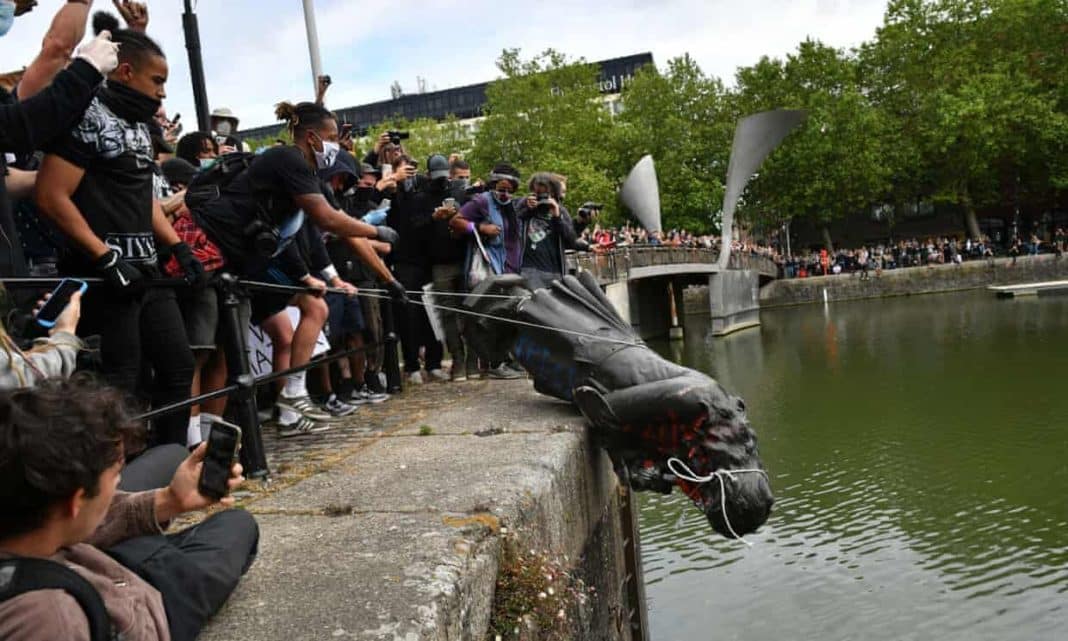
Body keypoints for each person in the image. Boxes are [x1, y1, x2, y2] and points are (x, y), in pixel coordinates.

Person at [35, 15, 201, 448]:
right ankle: (112, 493)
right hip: (104, 277)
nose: (163, 92)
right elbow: (51, 195)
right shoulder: (86, 115)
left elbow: (140, 196)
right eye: (157, 81)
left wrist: (179, 247)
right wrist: (103, 256)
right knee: (120, 384)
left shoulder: (140, 127)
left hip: (147, 271)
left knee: (178, 368)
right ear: (126, 72)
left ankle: (168, 470)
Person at [190, 101, 405, 432]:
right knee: (207, 353)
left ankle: (211, 437)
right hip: (213, 254)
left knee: (224, 353)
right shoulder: (286, 158)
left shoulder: (311, 178)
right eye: (332, 136)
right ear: (311, 136)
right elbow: (327, 220)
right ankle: (204, 436)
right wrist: (375, 229)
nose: (336, 144)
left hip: (242, 262)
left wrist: (388, 280)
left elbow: (343, 229)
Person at [0, 376, 259, 641]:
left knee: (172, 454)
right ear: (75, 501)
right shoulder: (51, 619)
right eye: (115, 474)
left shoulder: (28, 515)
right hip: (140, 607)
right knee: (237, 524)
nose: (120, 480)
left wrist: (168, 501)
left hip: (87, 557)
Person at [387, 155, 448, 384]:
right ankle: (411, 365)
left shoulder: (422, 189)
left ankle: (434, 362)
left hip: (427, 261)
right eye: (404, 170)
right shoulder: (391, 193)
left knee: (432, 314)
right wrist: (394, 182)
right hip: (403, 262)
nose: (409, 174)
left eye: (412, 170)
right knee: (408, 316)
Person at [516, 172, 590, 290]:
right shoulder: (524, 204)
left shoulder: (561, 210)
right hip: (529, 269)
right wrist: (527, 209)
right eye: (538, 194)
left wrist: (556, 215)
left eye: (546, 194)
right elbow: (511, 224)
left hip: (555, 270)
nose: (542, 198)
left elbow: (571, 239)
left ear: (554, 192)